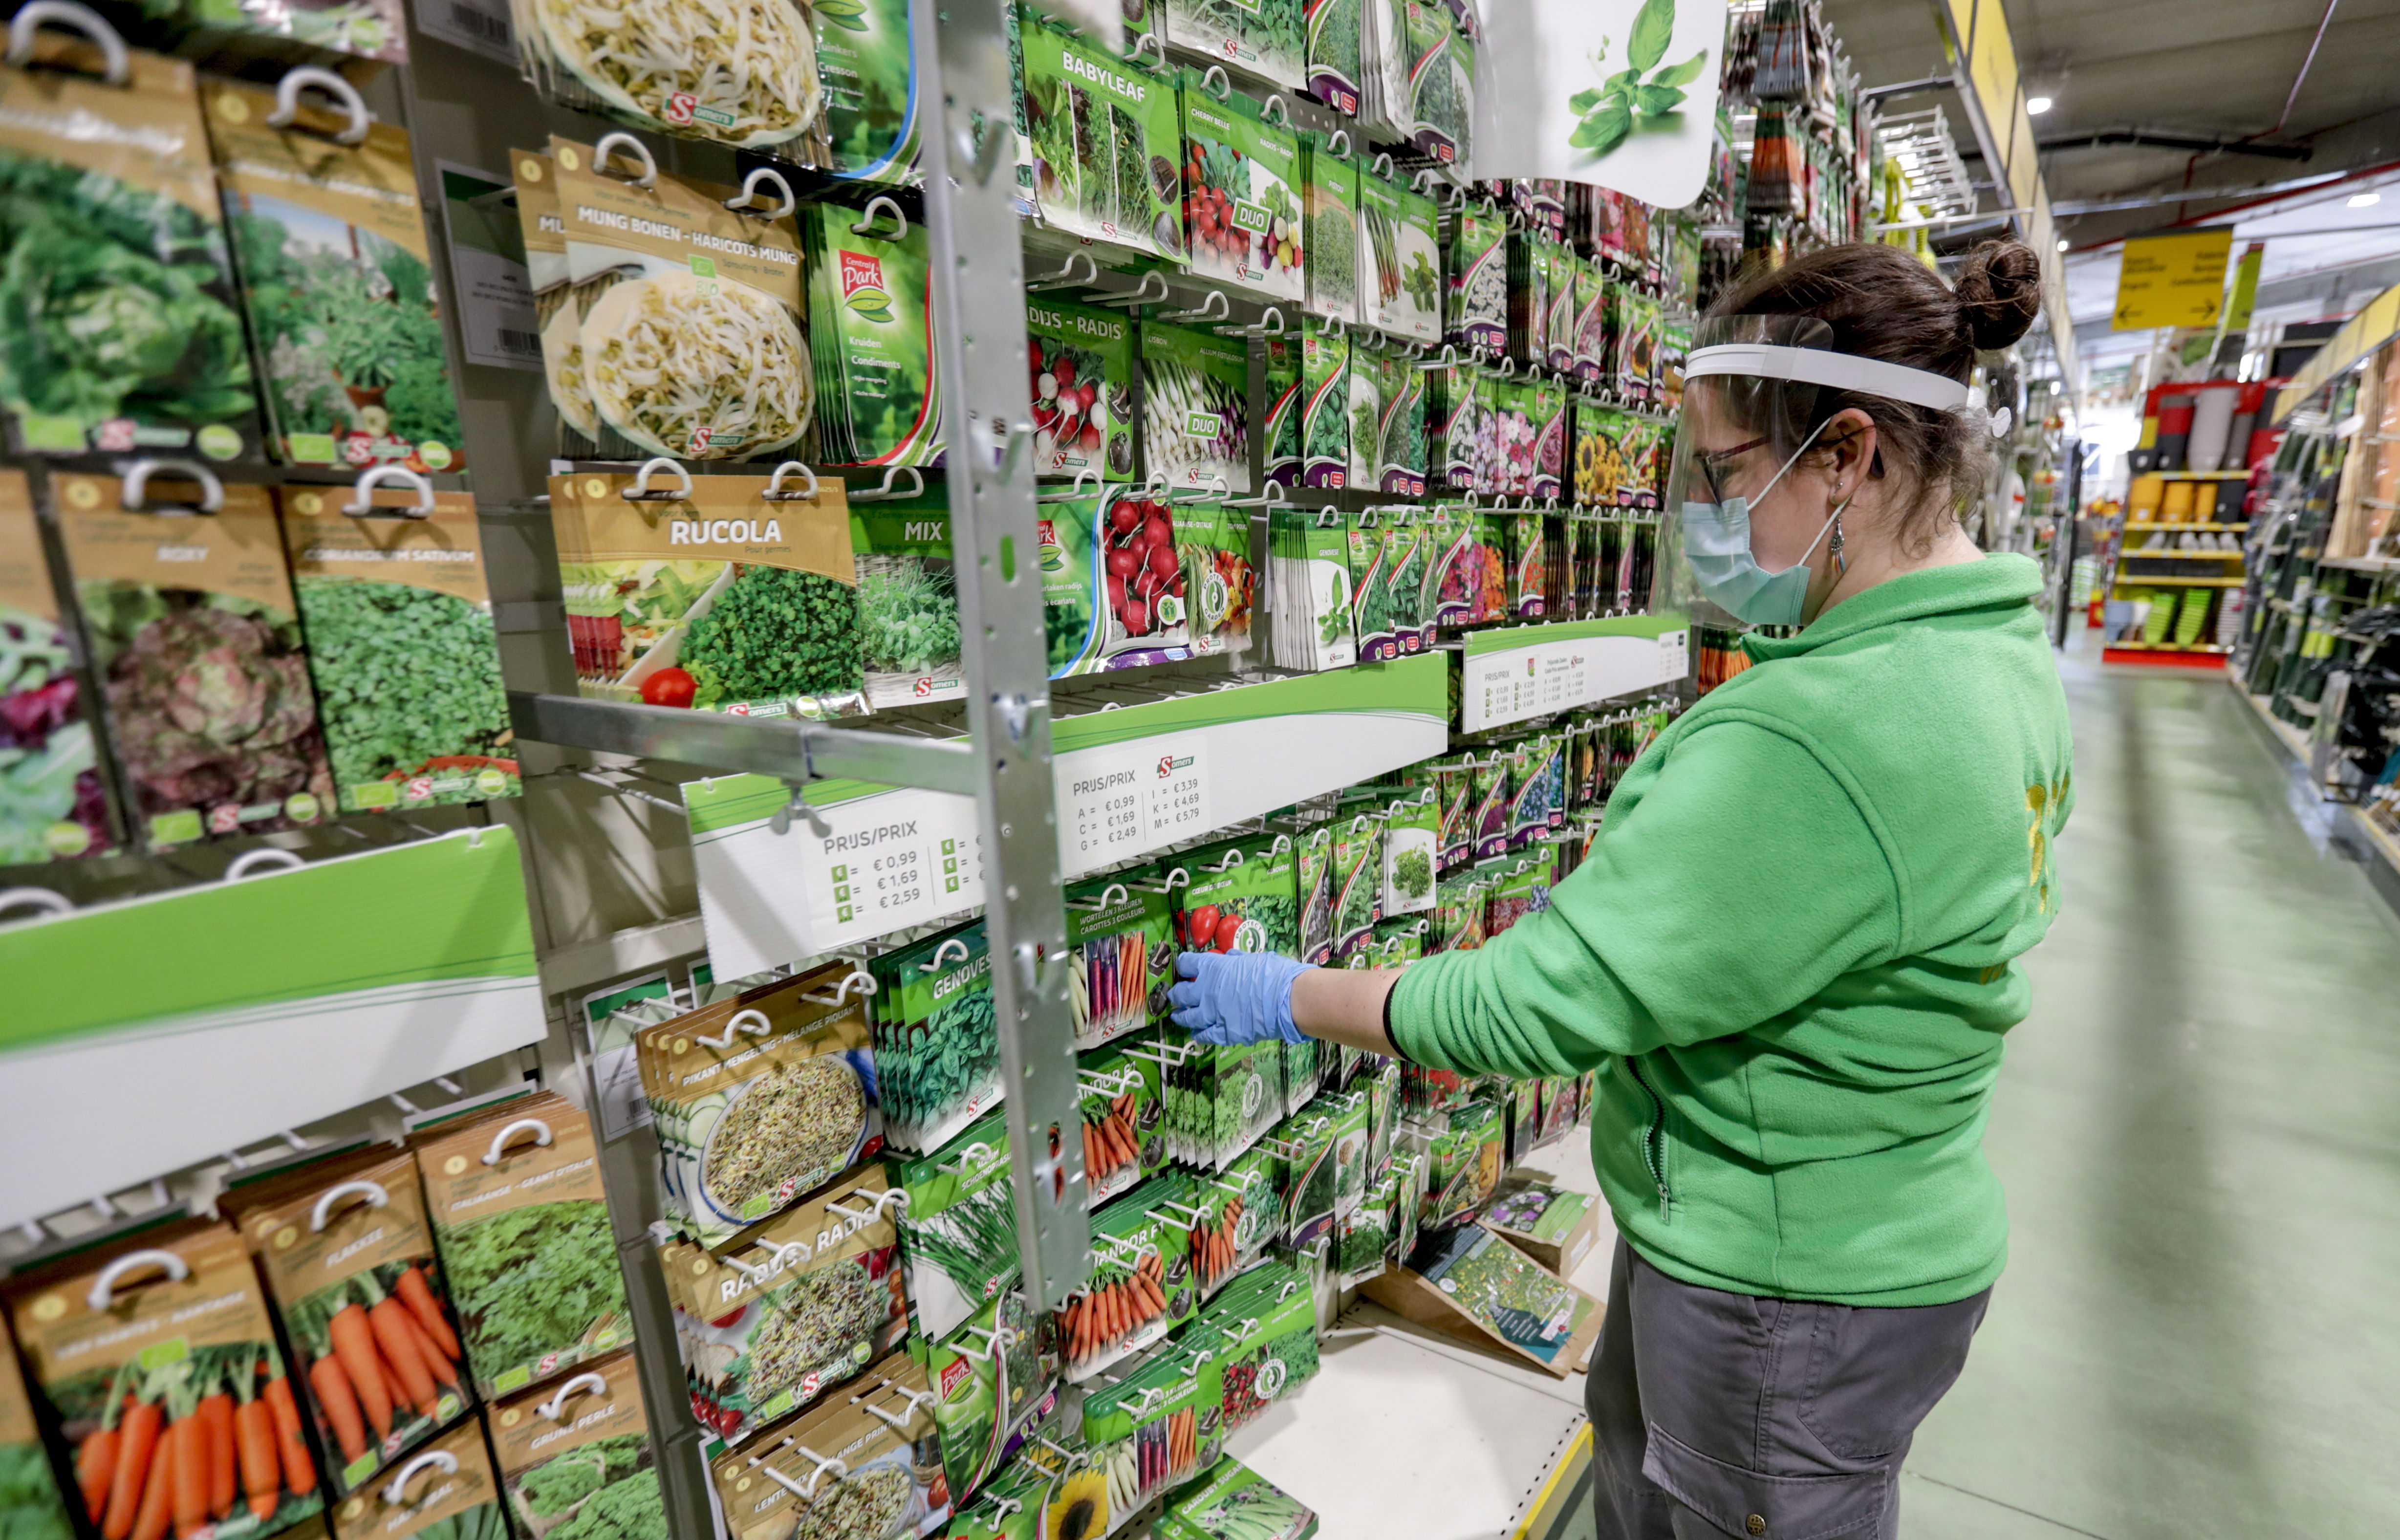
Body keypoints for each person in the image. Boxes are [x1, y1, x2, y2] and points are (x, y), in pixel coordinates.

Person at [1169, 240, 2069, 1540]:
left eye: (1723, 475)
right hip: (1870, 1240)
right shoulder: (1993, 651)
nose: (1704, 518)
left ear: (1848, 457)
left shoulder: (1830, 730)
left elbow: (1532, 1012)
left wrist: (1290, 992)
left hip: (1783, 1288)